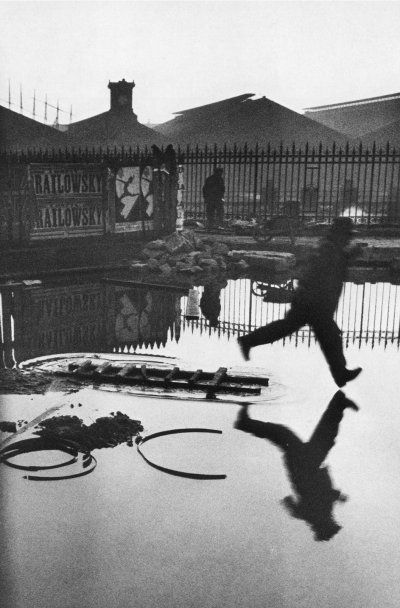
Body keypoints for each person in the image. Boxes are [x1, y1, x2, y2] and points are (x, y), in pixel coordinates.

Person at [237, 217, 362, 388]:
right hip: (314, 303)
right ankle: (340, 373)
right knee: (328, 336)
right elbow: (323, 274)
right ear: (340, 234)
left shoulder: (330, 247)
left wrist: (348, 255)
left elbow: (331, 267)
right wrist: (348, 256)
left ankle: (340, 373)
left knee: (318, 334)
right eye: (347, 235)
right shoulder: (329, 249)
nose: (349, 238)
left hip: (313, 302)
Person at [234, 391, 359, 541]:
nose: (334, 520)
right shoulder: (313, 514)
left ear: (325, 524)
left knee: (293, 435)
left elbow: (320, 496)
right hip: (306, 464)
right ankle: (339, 403)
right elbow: (296, 504)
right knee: (321, 437)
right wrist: (294, 507)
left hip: (304, 465)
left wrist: (337, 496)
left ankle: (244, 423)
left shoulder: (317, 514)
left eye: (332, 524)